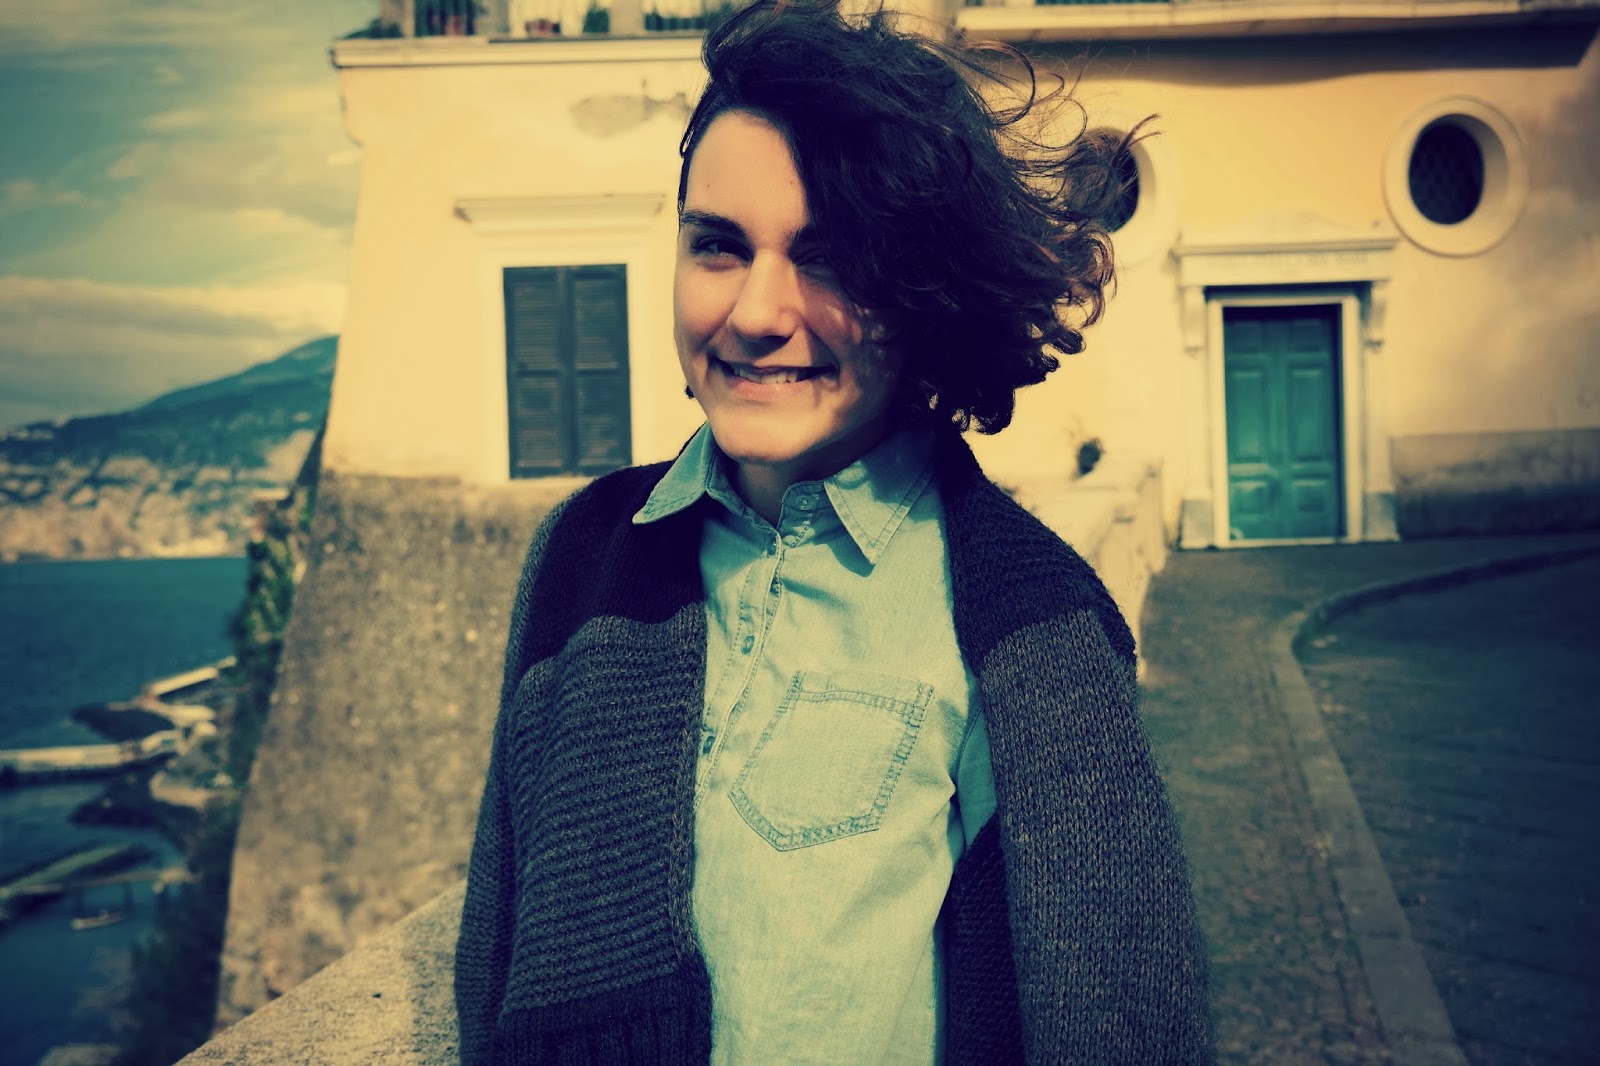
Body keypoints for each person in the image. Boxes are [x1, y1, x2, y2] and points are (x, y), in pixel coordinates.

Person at [455, 1, 1212, 1062]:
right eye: (718, 247)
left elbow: (1121, 1021)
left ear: (925, 295)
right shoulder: (581, 550)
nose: (758, 313)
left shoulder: (1031, 622)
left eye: (830, 259)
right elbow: (494, 955)